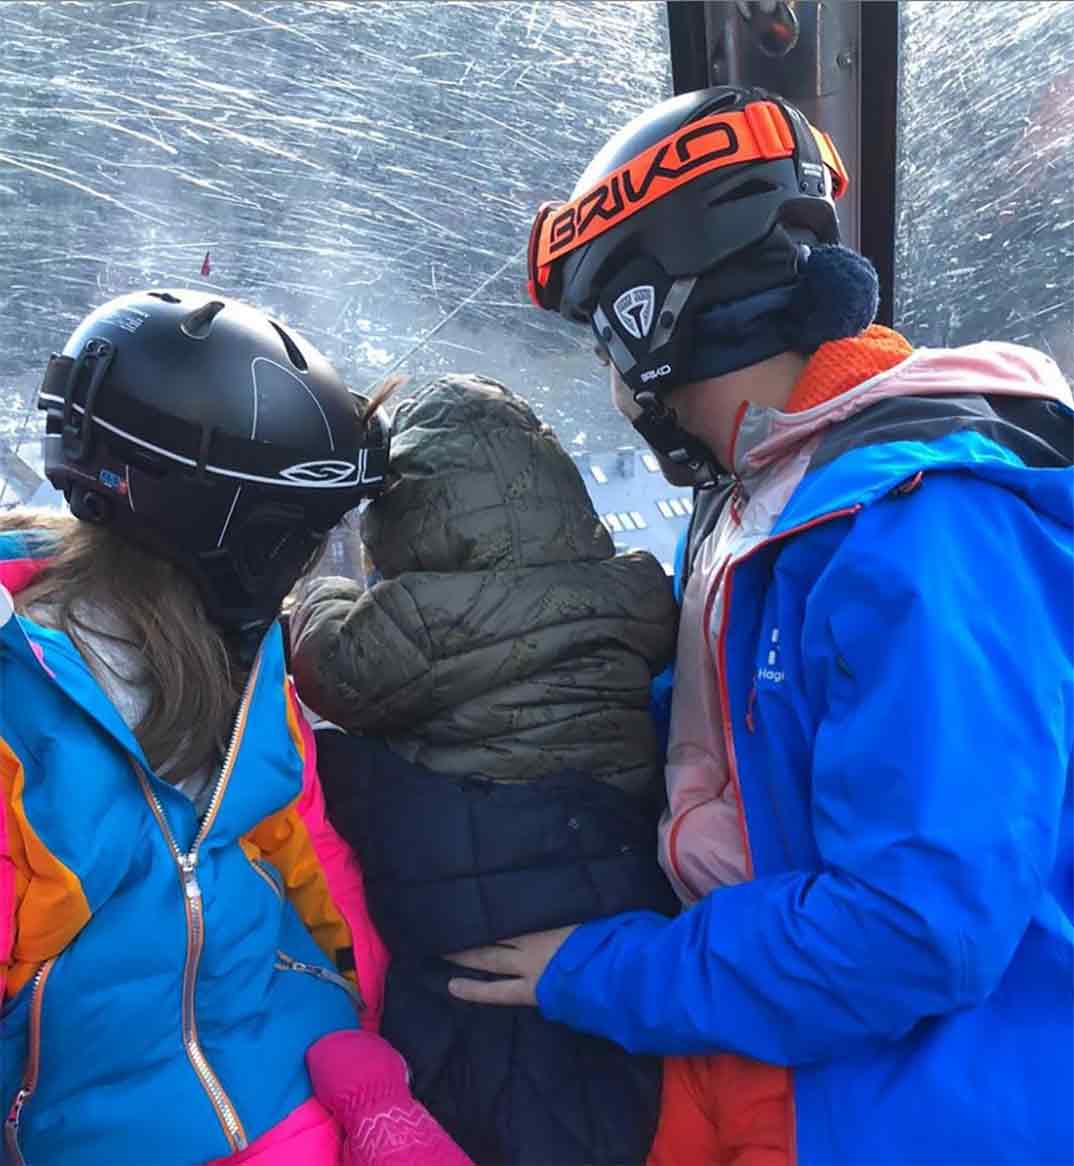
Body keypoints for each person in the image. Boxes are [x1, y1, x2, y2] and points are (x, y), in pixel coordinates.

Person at [447, 86, 1074, 1165]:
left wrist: (604, 971)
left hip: (923, 1106)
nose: (611, 384)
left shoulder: (924, 531)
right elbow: (757, 744)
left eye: (606, 343)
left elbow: (914, 929)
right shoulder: (763, 497)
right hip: (785, 1047)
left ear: (645, 326)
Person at [0, 291, 470, 1166]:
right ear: (231, 531)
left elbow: (302, 850)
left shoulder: (246, 664)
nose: (304, 568)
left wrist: (364, 1053)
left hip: (306, 1087)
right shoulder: (22, 716)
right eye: (298, 539)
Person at [289, 373, 680, 1165]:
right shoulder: (636, 594)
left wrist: (323, 591)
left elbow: (330, 663)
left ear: (406, 520)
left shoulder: (414, 618)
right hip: (602, 861)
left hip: (481, 889)